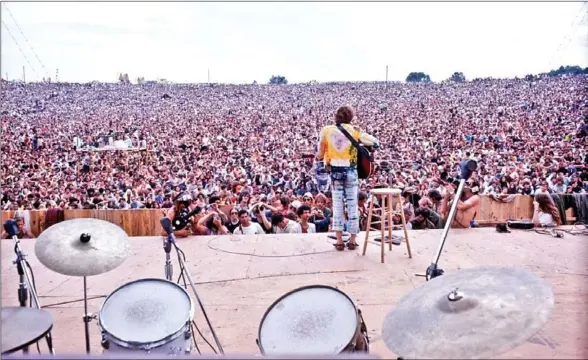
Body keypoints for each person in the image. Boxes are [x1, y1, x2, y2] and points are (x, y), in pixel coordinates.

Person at [315, 105, 379, 251]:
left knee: (337, 206)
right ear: (351, 117)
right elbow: (375, 142)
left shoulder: (326, 130)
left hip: (335, 172)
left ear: (336, 116)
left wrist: (321, 157)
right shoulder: (355, 131)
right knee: (352, 205)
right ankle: (352, 240)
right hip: (351, 171)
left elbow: (319, 153)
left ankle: (338, 241)